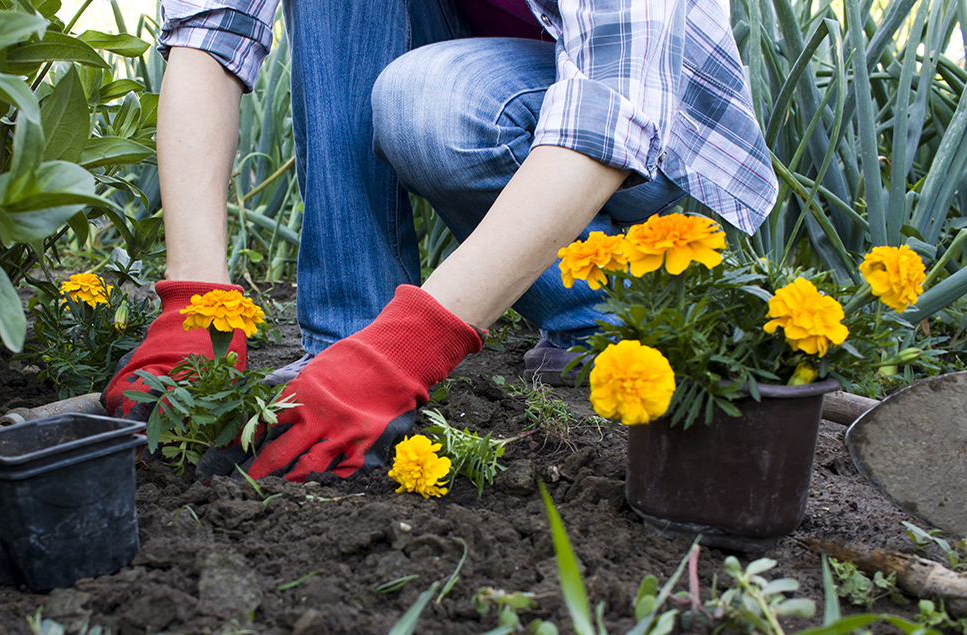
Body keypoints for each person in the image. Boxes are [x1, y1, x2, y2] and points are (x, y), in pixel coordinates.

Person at [103, 0, 778, 481]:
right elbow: (211, 28)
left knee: (425, 103)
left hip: (639, 135)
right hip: (474, 64)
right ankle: (346, 344)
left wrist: (409, 351)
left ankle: (615, 318)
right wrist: (195, 305)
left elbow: (611, 110)